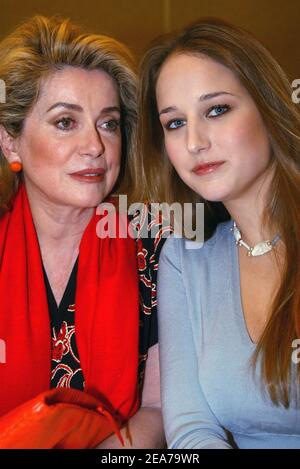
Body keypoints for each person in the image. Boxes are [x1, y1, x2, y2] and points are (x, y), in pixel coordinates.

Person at [0, 15, 165, 449]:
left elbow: (161, 410)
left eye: (108, 123)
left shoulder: (157, 243)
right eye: (65, 122)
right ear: (11, 142)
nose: (95, 146)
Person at [138, 18, 300, 448]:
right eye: (174, 123)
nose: (194, 141)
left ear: (268, 107)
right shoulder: (184, 254)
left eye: (216, 110)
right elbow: (192, 427)